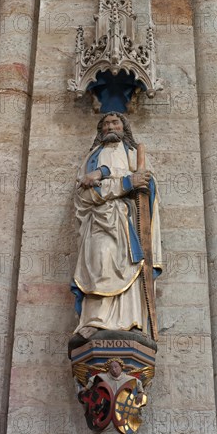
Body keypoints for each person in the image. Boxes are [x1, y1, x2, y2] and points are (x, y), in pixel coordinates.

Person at [71, 112, 162, 339]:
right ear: (100, 130)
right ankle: (95, 321)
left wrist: (143, 185)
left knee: (130, 266)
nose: (111, 126)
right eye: (106, 124)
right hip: (99, 223)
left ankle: (131, 321)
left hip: (127, 221)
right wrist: (125, 182)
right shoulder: (92, 158)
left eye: (115, 122)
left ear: (124, 127)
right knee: (101, 261)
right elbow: (84, 195)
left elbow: (149, 187)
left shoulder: (133, 154)